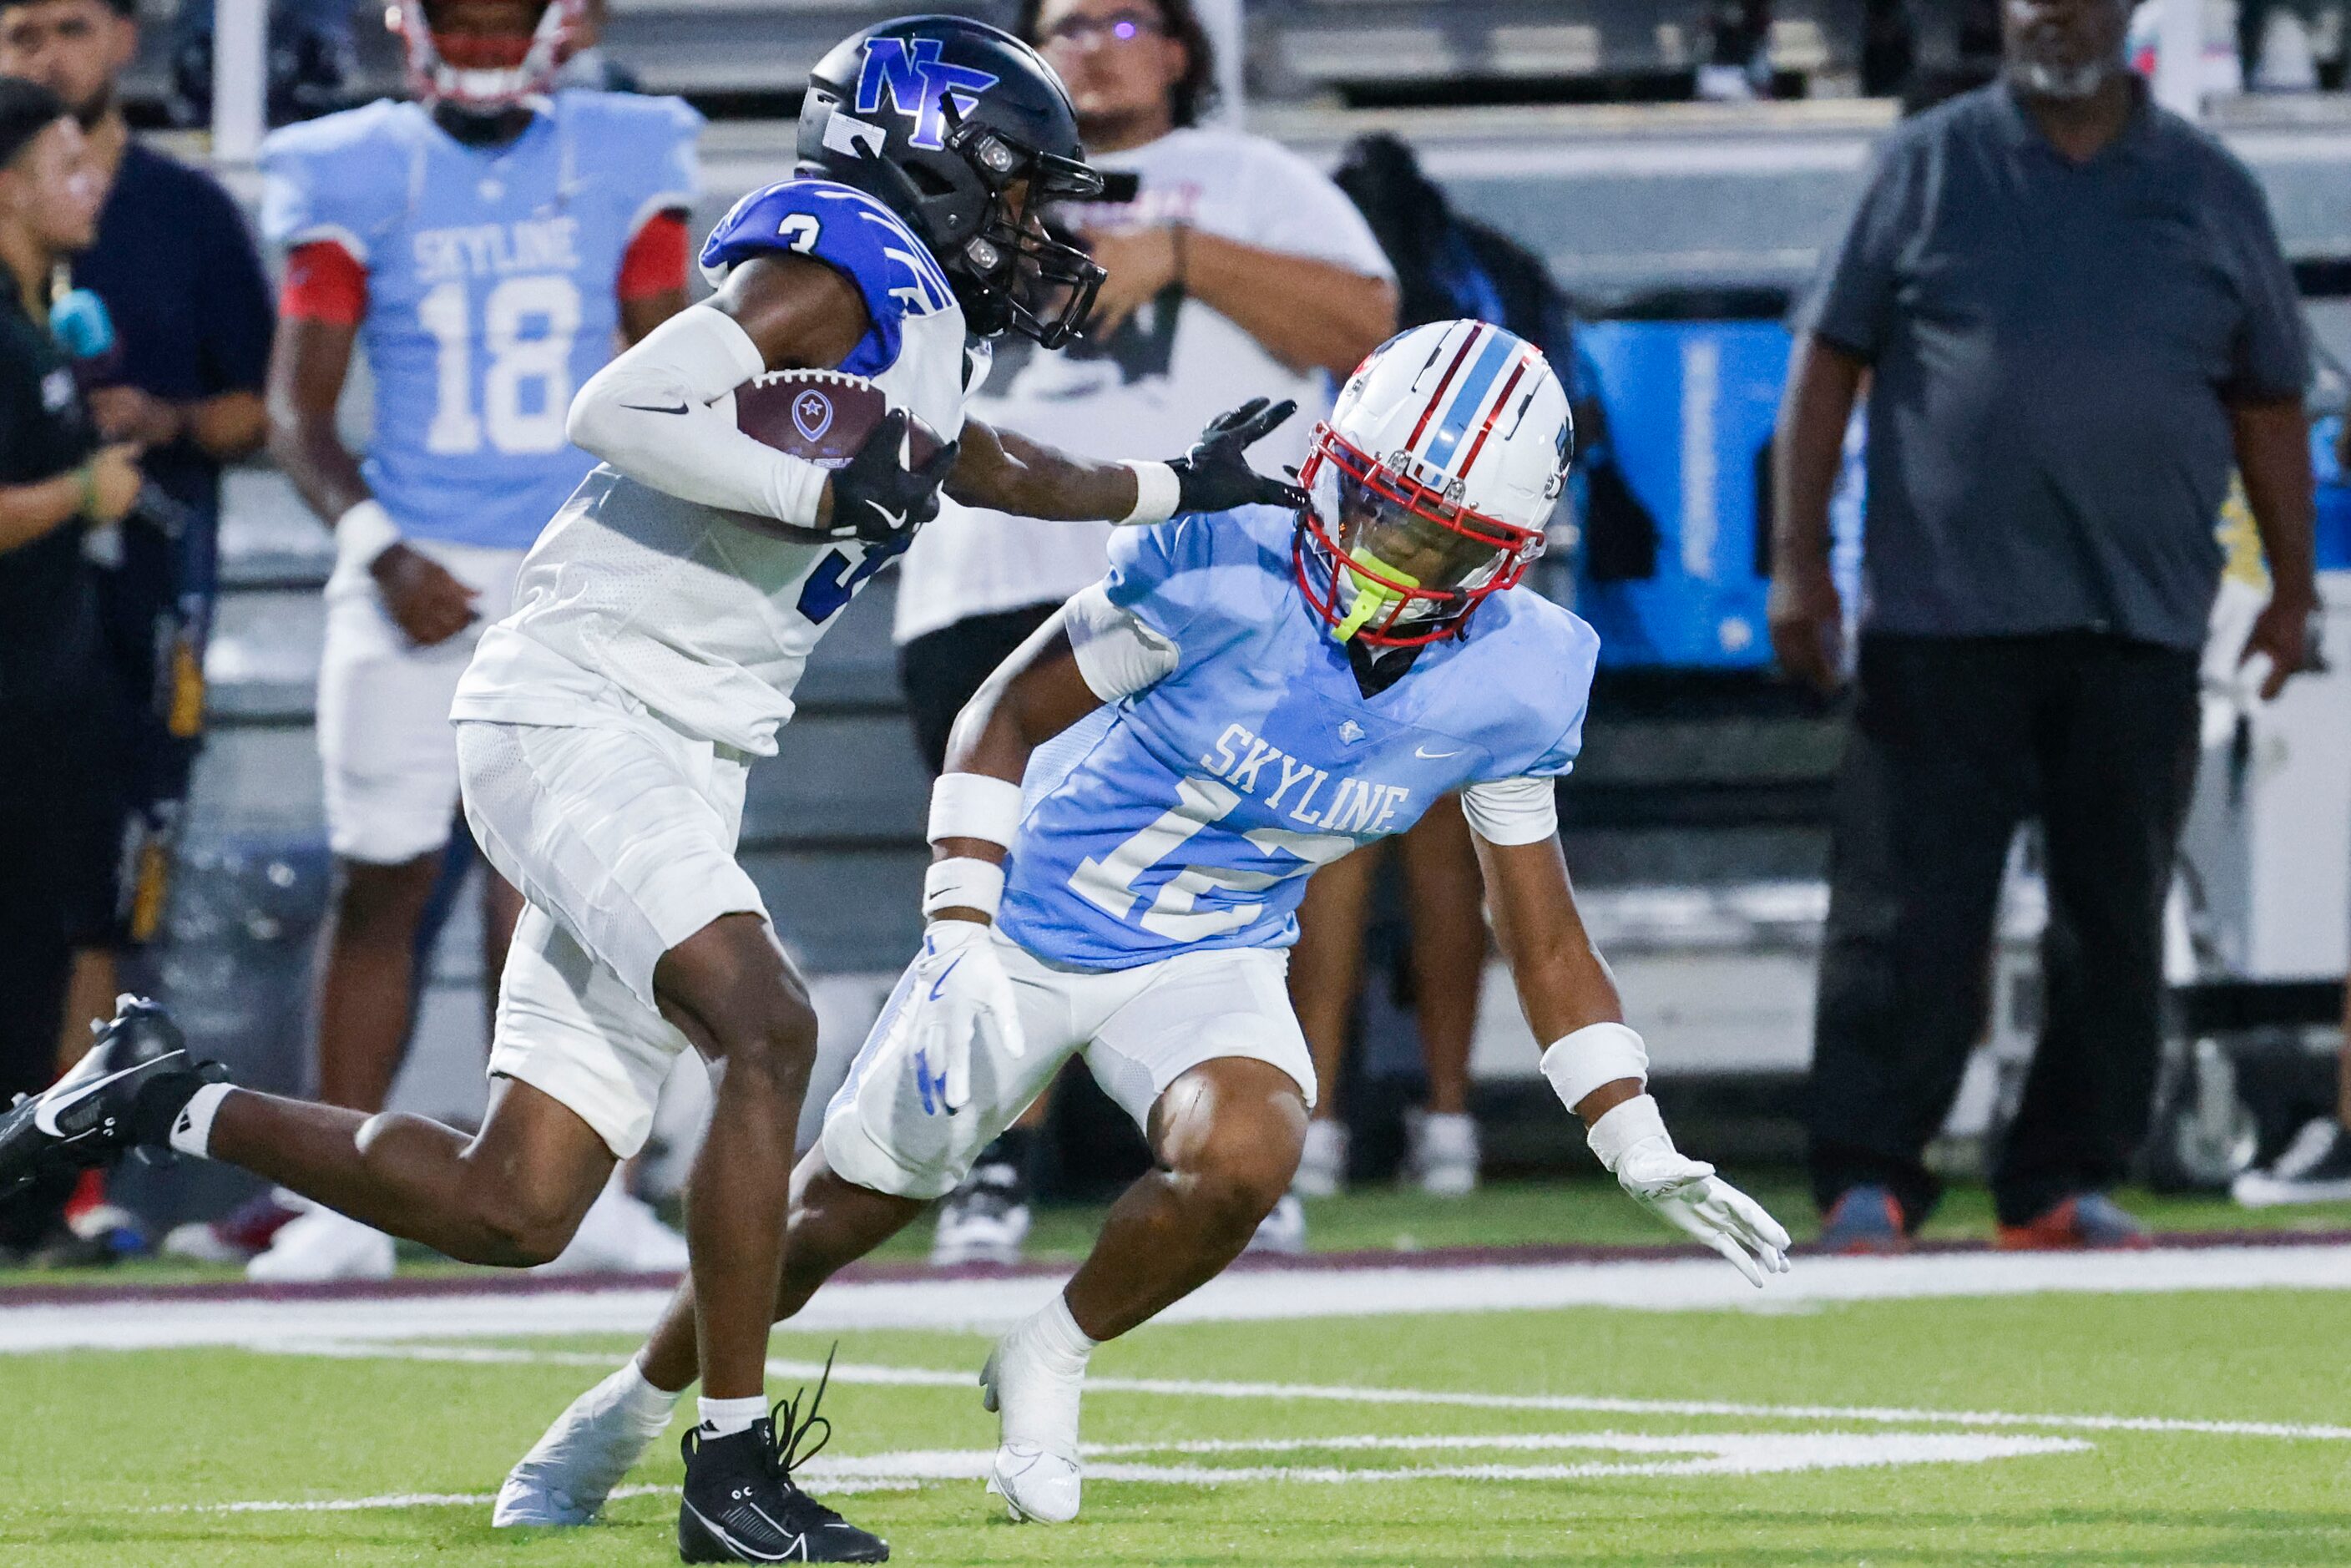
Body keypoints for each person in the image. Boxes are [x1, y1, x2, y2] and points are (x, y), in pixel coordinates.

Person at [0, 15, 1310, 1562]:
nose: (1037, 224)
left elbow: (983, 461)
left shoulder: (921, 322)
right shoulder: (839, 266)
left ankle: (158, 1096)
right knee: (768, 1024)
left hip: (677, 746)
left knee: (518, 1204)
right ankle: (732, 1472)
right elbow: (616, 409)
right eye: (1018, 185)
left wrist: (1171, 484)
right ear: (931, 154)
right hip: (578, 704)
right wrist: (818, 487)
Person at [490, 319, 1790, 1533]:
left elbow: (1542, 930)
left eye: (1431, 540)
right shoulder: (1226, 561)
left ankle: (1048, 1352)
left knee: (1249, 1148)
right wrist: (958, 929)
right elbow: (1002, 714)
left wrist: (1634, 1136)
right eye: (1371, 502)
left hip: (1213, 950)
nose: (1384, 552)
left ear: (1506, 556)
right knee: (832, 1218)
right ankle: (635, 1399)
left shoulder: (1524, 673)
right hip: (1030, 922)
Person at [1770, 0, 2317, 1252]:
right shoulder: (1926, 166)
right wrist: (1799, 569)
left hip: (2138, 616)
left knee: (2116, 920)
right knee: (1905, 915)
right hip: (1940, 614)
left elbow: (2270, 393)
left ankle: (2064, 1175)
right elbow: (1826, 363)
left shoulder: (2208, 185)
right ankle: (1873, 1174)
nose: (2051, 12)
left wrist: (2293, 587)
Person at [900, 0, 1397, 1267]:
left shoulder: (1260, 180)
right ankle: (988, 1158)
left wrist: (1180, 249)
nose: (1094, 42)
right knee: (1004, 882)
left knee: (1244, 875)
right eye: (1064, 21)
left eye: (1125, 15)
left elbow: (1372, 336)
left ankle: (1262, 1145)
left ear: (1183, 47)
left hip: (1214, 578)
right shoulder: (968, 174)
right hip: (993, 571)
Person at [235, 0, 700, 1282]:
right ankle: (340, 1202)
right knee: (382, 878)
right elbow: (298, 407)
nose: (487, 40)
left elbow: (679, 364)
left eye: (509, 17)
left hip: (575, 557)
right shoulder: (354, 162)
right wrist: (380, 546)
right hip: (411, 561)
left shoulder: (627, 148)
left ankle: (572, 1178)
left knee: (562, 893)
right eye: (466, 17)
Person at [0, 0, 272, 1093]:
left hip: (130, 617)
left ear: (122, 37)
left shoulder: (187, 213)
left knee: (101, 882)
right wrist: (76, 483)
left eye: (69, 28)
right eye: (21, 34)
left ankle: (67, 1169)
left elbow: (262, 409)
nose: (46, 54)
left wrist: (163, 424)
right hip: (30, 640)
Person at [0, 75, 140, 1260]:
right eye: (64, 163)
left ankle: (28, 1200)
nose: (89, 182)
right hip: (13, 691)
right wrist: (84, 491)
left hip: (46, 688)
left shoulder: (38, 314)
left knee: (38, 945)